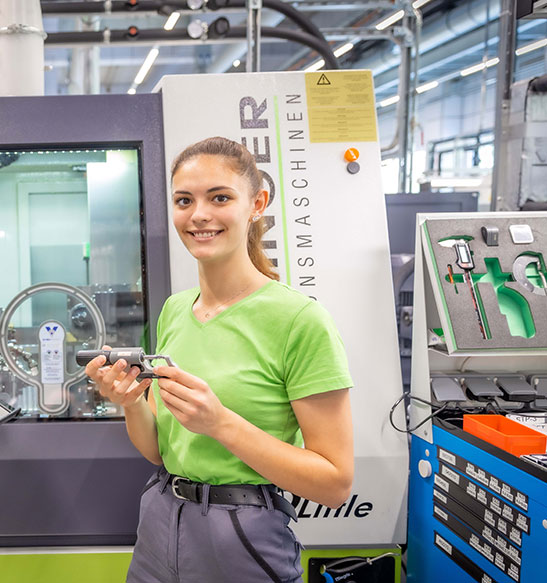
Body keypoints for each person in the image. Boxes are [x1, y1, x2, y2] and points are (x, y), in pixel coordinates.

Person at [84, 136, 354, 583]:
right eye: (184, 201)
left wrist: (220, 423)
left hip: (241, 536)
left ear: (257, 204)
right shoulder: (175, 310)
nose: (199, 215)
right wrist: (130, 402)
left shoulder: (300, 321)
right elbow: (159, 450)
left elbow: (335, 484)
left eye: (220, 198)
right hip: (159, 521)